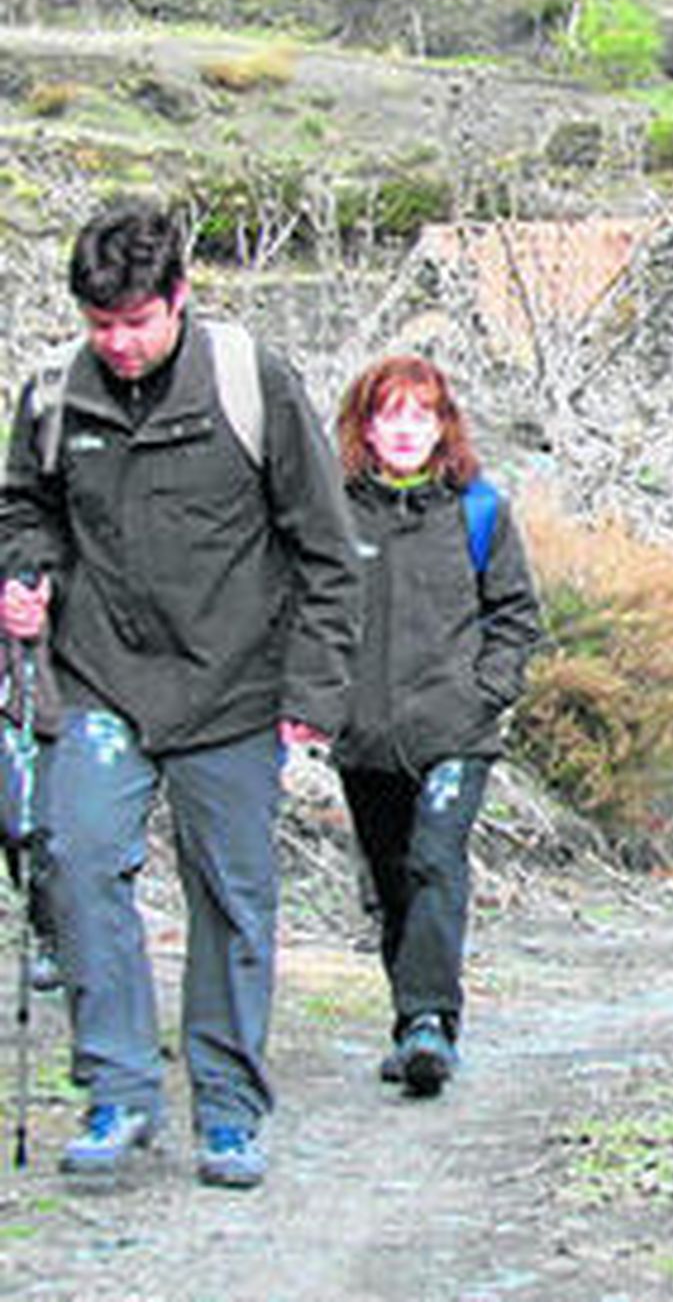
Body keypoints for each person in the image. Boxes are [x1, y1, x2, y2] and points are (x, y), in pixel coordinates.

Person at [0, 197, 362, 1188]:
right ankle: (118, 1090)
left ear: (179, 299)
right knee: (75, 862)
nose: (118, 343)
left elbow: (328, 550)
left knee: (233, 897)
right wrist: (25, 575)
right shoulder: (52, 395)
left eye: (136, 322)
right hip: (100, 677)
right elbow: (23, 510)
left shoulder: (252, 382)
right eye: (100, 323)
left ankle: (230, 1109)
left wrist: (314, 691)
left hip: (234, 686)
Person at [333, 356, 540, 1096]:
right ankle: (413, 1024)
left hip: (456, 732)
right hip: (363, 735)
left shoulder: (478, 509)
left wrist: (485, 694)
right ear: (365, 427)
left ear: (443, 426)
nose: (406, 430)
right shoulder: (333, 510)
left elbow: (516, 615)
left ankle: (429, 1020)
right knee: (392, 882)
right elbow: (303, 607)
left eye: (421, 416)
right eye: (390, 415)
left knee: (434, 861)